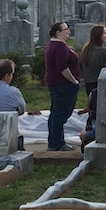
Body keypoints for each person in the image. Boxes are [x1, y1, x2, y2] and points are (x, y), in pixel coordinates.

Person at [44, 22, 81, 151]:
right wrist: (74, 81)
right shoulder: (59, 46)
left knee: (55, 114)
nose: (68, 32)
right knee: (60, 114)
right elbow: (62, 68)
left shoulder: (53, 44)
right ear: (58, 32)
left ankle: (54, 141)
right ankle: (57, 143)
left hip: (56, 83)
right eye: (65, 30)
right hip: (63, 84)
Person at [79, 25, 106, 132]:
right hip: (100, 84)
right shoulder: (103, 52)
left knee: (92, 110)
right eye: (105, 33)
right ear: (99, 36)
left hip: (89, 84)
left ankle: (91, 130)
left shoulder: (86, 50)